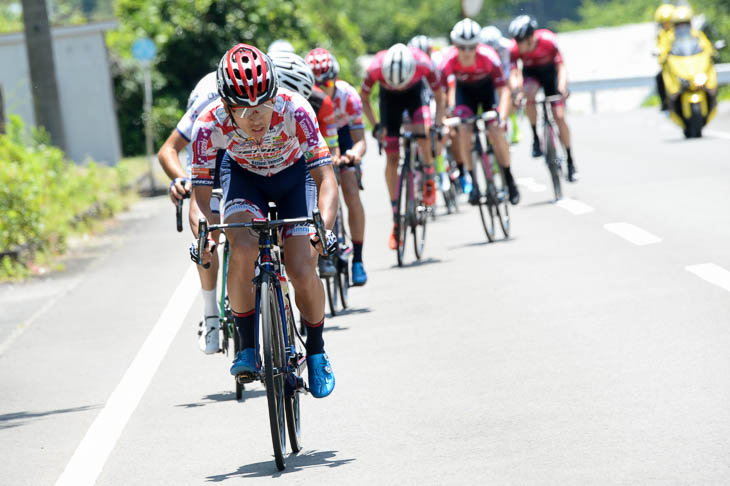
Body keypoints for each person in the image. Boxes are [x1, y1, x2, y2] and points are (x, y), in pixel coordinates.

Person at [191, 44, 338, 398]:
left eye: (263, 105)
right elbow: (199, 201)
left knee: (302, 268)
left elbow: (327, 180)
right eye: (243, 110)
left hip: (294, 177)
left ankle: (317, 351)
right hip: (244, 177)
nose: (256, 118)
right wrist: (204, 236)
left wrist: (325, 228)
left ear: (276, 95)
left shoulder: (297, 111)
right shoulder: (208, 124)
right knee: (242, 247)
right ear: (226, 106)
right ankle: (245, 347)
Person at [157, 71, 225, 354]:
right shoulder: (204, 106)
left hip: (245, 156)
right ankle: (211, 313)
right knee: (207, 240)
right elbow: (168, 150)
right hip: (207, 160)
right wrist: (181, 178)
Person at [360, 43, 444, 250]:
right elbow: (364, 98)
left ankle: (429, 177)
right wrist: (376, 125)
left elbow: (440, 95)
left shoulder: (424, 63)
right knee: (392, 157)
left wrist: (438, 124)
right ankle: (397, 216)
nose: (398, 86)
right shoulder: (374, 69)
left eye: (400, 83)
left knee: (423, 132)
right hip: (389, 102)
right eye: (393, 83)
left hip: (416, 95)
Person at [306, 48, 369, 285]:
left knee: (351, 191)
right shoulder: (309, 100)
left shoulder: (348, 97)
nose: (324, 88)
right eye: (317, 84)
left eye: (328, 82)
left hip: (342, 137)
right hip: (318, 134)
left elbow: (360, 139)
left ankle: (358, 259)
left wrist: (353, 154)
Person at [440, 18, 520, 206]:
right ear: (455, 45)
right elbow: (442, 95)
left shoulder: (489, 57)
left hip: (488, 92)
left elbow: (504, 91)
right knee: (464, 131)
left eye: (471, 47)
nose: (466, 52)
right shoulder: (447, 61)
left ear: (478, 45)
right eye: (462, 47)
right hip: (464, 93)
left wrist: (502, 114)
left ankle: (509, 178)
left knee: (495, 130)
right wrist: (443, 118)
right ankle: (473, 182)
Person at [508, 15, 578, 182]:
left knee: (559, 117)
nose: (517, 44)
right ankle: (536, 138)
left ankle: (569, 160)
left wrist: (562, 87)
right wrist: (517, 91)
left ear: (531, 37)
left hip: (550, 75)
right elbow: (514, 72)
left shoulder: (548, 40)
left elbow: (561, 66)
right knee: (528, 94)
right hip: (531, 75)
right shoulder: (515, 48)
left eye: (521, 40)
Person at [481, 25, 522, 144]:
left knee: (509, 92)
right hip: (488, 76)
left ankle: (514, 125)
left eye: (496, 49)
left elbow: (509, 70)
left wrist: (513, 89)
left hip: (503, 73)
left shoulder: (506, 47)